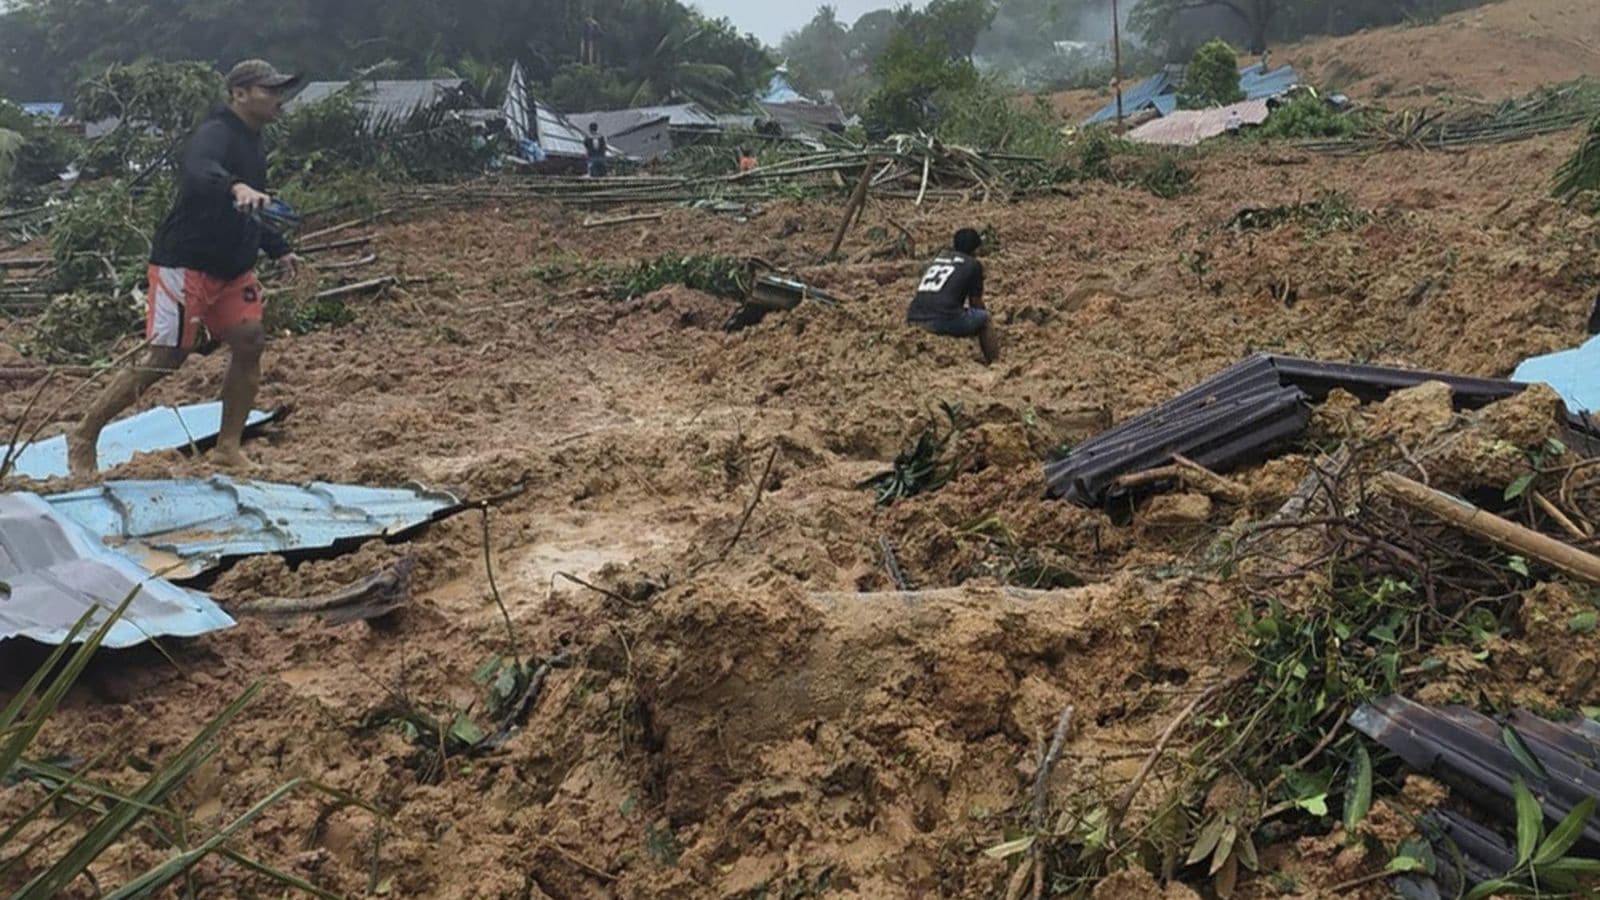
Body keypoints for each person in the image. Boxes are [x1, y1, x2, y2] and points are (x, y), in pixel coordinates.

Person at [67, 59, 304, 476]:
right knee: (166, 356)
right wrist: (235, 185)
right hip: (186, 263)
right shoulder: (216, 133)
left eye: (279, 89)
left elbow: (250, 207)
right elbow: (199, 172)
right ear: (240, 94)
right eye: (269, 89)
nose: (277, 98)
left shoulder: (254, 140)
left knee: (250, 342)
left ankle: (228, 446)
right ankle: (84, 434)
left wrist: (278, 248)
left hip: (232, 267)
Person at [906, 228, 998, 364]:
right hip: (941, 320)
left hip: (913, 316)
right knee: (984, 319)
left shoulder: (939, 259)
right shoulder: (973, 265)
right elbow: (976, 302)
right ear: (976, 249)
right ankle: (994, 362)